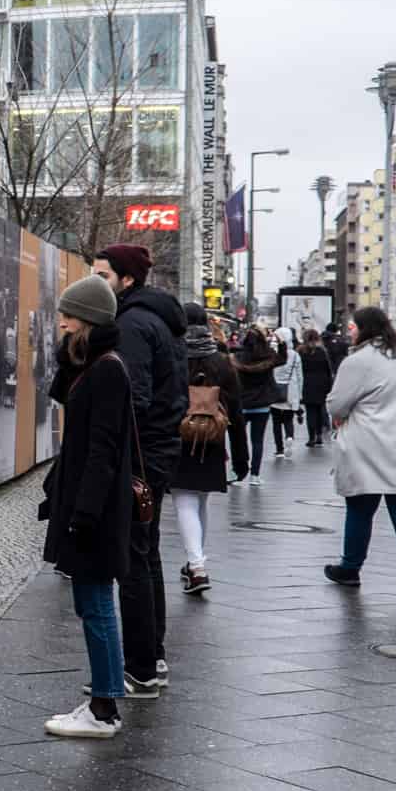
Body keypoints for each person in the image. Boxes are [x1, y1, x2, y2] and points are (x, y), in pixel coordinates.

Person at [37, 274, 132, 738]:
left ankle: (103, 708)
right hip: (87, 504)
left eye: (68, 316)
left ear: (89, 321)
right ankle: (105, 698)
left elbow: (103, 449)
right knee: (93, 603)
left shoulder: (108, 370)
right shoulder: (92, 366)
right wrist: (71, 356)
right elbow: (63, 399)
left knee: (95, 604)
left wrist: (84, 514)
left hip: (94, 509)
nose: (61, 323)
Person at [89, 244, 186, 700]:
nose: (95, 284)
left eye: (102, 276)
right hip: (157, 451)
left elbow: (133, 398)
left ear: (127, 281)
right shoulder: (155, 318)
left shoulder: (130, 324)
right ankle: (153, 658)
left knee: (131, 559)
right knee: (146, 555)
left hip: (141, 455)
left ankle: (141, 668)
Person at [324, 306, 396, 602]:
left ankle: (350, 568)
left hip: (369, 444)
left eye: (353, 326)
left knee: (361, 508)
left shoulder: (358, 361)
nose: (350, 331)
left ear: (365, 328)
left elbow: (337, 405)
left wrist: (341, 416)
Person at [170, 306, 247, 595]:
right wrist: (242, 458)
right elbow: (237, 414)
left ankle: (197, 567)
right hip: (213, 441)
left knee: (185, 501)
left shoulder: (174, 357)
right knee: (200, 501)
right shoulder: (222, 362)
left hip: (179, 438)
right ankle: (195, 562)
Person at [233, 327, 284, 485]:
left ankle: (239, 474)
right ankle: (255, 475)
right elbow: (282, 359)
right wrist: (281, 343)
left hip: (242, 403)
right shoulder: (268, 356)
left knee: (238, 440)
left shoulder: (238, 357)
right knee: (257, 441)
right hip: (262, 404)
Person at [269, 326, 303, 456]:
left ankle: (279, 449)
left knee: (276, 421)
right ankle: (289, 437)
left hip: (275, 390)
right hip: (290, 390)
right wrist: (299, 395)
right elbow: (300, 376)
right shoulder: (295, 355)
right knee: (289, 419)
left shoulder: (274, 352)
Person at [298, 330, 334, 447]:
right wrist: (329, 385)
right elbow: (328, 369)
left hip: (307, 384)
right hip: (322, 384)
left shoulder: (301, 352)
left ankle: (311, 437)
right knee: (319, 410)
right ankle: (319, 435)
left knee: (310, 411)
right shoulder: (322, 352)